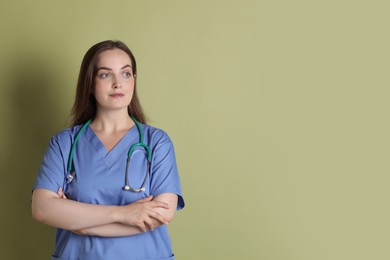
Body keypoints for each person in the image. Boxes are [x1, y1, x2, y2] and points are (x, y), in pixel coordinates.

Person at [31, 40, 185, 260]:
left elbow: (161, 214)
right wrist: (123, 213)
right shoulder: (64, 143)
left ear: (134, 80)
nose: (117, 83)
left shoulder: (157, 142)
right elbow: (42, 209)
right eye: (105, 74)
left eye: (125, 74)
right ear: (90, 83)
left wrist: (82, 224)